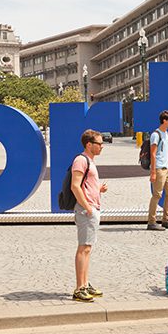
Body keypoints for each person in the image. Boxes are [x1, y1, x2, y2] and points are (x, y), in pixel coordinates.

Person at [70, 129, 108, 303]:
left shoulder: (90, 161)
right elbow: (75, 186)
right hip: (87, 210)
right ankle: (79, 288)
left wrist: (98, 189)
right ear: (89, 144)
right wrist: (87, 207)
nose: (102, 146)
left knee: (88, 248)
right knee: (83, 248)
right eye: (99, 143)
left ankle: (85, 283)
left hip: (92, 207)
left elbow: (85, 185)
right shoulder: (81, 160)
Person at [147, 110, 168, 231]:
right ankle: (151, 222)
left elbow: (165, 152)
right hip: (159, 169)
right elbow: (153, 154)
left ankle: (166, 219)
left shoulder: (167, 134)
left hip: (167, 168)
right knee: (157, 195)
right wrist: (153, 172)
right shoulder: (156, 134)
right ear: (164, 121)